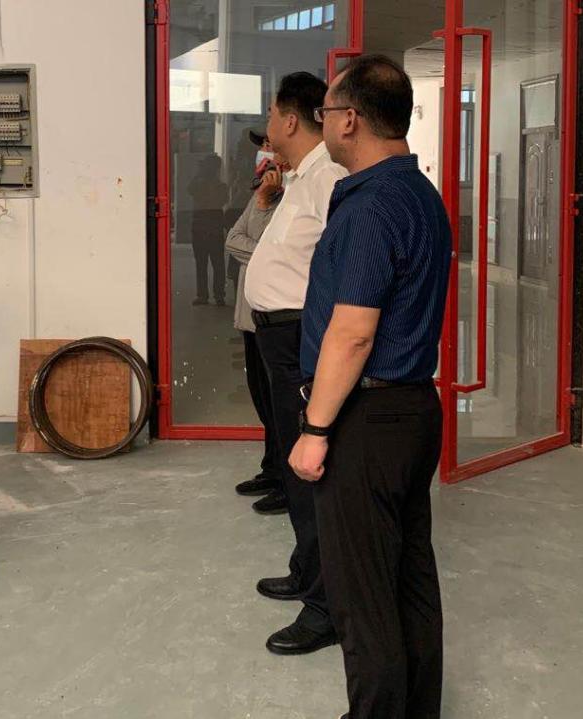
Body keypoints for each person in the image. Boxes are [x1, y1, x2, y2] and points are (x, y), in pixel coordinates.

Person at [291, 55, 450, 719]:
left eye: (325, 112)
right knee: (409, 576)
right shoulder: (420, 194)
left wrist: (315, 429)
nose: (323, 123)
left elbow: (354, 333)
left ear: (350, 119)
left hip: (368, 417)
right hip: (412, 410)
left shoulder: (372, 205)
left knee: (362, 594)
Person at [244, 72, 347, 655]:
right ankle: (308, 571)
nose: (268, 126)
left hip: (299, 337)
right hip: (278, 337)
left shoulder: (327, 177)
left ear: (289, 119)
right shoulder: (301, 177)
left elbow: (341, 270)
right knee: (292, 466)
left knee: (310, 474)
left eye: (271, 113)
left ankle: (326, 605)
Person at [228, 131, 286, 506]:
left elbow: (276, 252)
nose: (262, 153)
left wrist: (264, 202)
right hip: (249, 317)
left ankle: (289, 482)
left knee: (281, 405)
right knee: (263, 400)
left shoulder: (290, 197)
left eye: (268, 146)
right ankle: (272, 469)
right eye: (261, 147)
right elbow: (232, 238)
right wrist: (262, 199)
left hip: (274, 318)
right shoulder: (262, 193)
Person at [187, 154, 229, 306]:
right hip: (209, 225)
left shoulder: (217, 186)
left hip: (205, 225)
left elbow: (192, 190)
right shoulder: (219, 186)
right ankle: (216, 295)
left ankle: (207, 295)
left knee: (207, 263)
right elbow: (190, 189)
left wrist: (200, 174)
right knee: (214, 263)